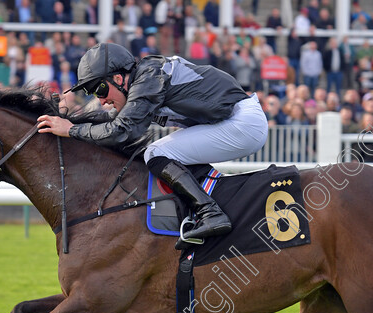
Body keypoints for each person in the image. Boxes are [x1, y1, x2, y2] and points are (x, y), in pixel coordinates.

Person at [36, 43, 268, 241]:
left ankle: (210, 213)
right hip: (235, 120)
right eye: (95, 94)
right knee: (166, 152)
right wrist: (68, 122)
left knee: (156, 153)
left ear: (119, 78)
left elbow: (120, 131)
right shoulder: (144, 78)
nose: (102, 99)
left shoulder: (149, 78)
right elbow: (109, 123)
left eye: (101, 89)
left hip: (242, 123)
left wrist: (72, 130)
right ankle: (203, 210)